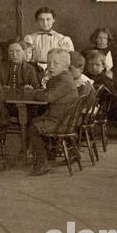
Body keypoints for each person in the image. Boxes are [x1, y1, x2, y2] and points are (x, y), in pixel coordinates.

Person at [21, 48, 83, 176]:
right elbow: (48, 94)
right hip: (63, 119)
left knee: (33, 128)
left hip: (60, 122)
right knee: (35, 120)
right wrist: (37, 92)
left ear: (66, 66)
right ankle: (51, 154)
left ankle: (42, 162)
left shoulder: (64, 80)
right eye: (49, 63)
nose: (51, 66)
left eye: (56, 63)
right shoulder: (62, 77)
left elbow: (48, 97)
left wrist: (31, 92)